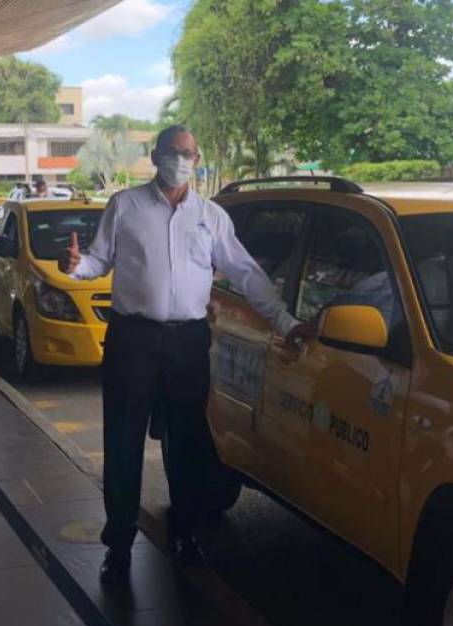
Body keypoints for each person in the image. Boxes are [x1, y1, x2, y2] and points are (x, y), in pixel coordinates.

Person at [60, 124, 317, 582]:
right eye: (174, 151)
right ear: (156, 155)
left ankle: (182, 532)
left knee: (187, 443)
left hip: (188, 342)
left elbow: (245, 273)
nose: (182, 159)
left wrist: (285, 321)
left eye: (190, 153)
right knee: (123, 441)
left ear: (197, 161)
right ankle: (118, 543)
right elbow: (100, 261)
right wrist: (78, 268)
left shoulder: (211, 216)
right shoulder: (126, 205)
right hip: (133, 339)